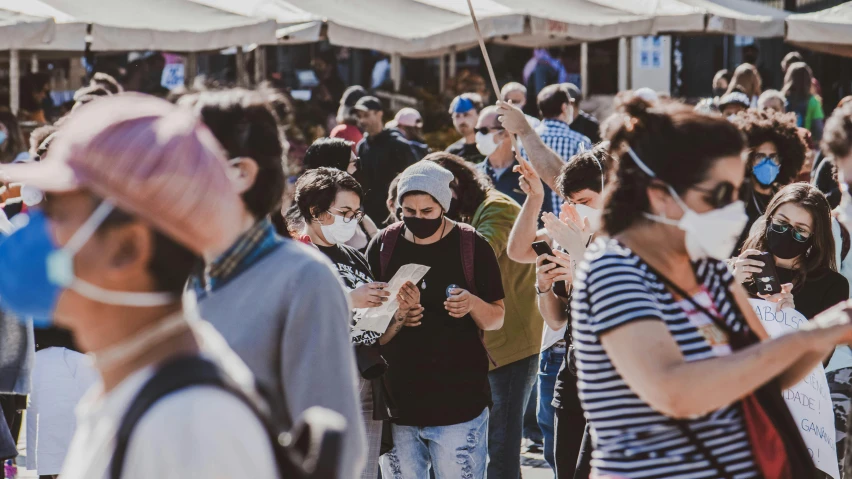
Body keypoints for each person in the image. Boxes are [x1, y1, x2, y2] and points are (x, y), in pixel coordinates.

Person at [0, 94, 282, 478]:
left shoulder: (187, 423)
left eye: (59, 214)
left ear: (129, 247)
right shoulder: (131, 392)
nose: (34, 230)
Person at [572, 95, 852, 479]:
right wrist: (811, 337)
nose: (732, 211)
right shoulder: (614, 269)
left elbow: (768, 375)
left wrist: (829, 329)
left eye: (734, 193)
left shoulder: (708, 271)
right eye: (717, 195)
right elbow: (673, 390)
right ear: (659, 192)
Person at [179, 89, 367, 477]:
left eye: (181, 161)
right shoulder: (177, 275)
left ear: (241, 173)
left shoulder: (305, 280)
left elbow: (336, 451)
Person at [366, 160, 505, 479]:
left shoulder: (471, 245)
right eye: (408, 212)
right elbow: (371, 327)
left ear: (444, 206)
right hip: (398, 403)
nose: (417, 219)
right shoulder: (384, 245)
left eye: (427, 212)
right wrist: (399, 317)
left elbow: (497, 317)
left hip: (460, 404)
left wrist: (471, 304)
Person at [295, 167, 422, 479]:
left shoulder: (355, 257)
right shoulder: (294, 254)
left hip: (365, 377)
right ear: (316, 211)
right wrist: (350, 298)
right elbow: (291, 317)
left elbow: (375, 337)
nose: (351, 219)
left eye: (356, 212)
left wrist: (400, 313)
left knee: (362, 471)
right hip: (320, 381)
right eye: (344, 212)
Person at [429, 152, 543, 479]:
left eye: (436, 199)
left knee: (502, 445)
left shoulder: (498, 208)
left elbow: (481, 253)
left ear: (457, 186)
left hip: (513, 346)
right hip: (493, 342)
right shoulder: (475, 210)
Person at [507, 145, 612, 477]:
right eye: (571, 203)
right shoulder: (569, 237)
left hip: (613, 380)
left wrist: (580, 268)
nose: (576, 212)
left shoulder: (630, 243)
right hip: (572, 371)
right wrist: (543, 284)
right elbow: (557, 319)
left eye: (585, 203)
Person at [735, 183, 848, 318]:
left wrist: (791, 317)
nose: (786, 233)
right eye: (782, 222)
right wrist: (729, 286)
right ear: (769, 219)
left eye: (801, 230)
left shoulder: (832, 287)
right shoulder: (739, 271)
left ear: (815, 237)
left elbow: (830, 338)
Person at [731, 109, 807, 251]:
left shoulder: (784, 197)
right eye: (760, 156)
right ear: (748, 160)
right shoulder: (737, 197)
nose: (768, 163)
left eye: (773, 157)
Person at [303, 137, 379, 250]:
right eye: (355, 163)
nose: (357, 169)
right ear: (336, 169)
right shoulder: (305, 220)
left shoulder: (358, 215)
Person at [531, 84, 592, 215]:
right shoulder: (580, 141)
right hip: (568, 218)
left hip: (533, 217)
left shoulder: (527, 141)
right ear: (564, 107)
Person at [356, 95, 418, 222]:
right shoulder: (362, 146)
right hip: (369, 214)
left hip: (394, 213)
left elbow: (412, 179)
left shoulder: (398, 144)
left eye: (366, 115)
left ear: (379, 114)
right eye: (360, 116)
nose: (362, 120)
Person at [474, 106, 525, 205]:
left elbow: (543, 216)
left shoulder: (529, 175)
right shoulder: (474, 175)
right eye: (477, 130)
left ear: (506, 133)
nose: (478, 136)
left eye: (484, 130)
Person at [783, 62, 825, 144]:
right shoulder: (814, 101)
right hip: (805, 146)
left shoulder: (782, 100)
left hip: (785, 144)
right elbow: (819, 129)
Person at [446, 93, 486, 164]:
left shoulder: (489, 146)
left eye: (466, 115)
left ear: (479, 115)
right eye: (457, 116)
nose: (461, 121)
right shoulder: (452, 153)